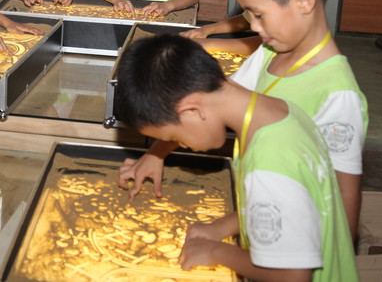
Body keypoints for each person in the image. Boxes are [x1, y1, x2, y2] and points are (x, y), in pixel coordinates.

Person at [119, 0, 368, 242]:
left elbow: (342, 203)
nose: (253, 26)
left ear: (304, 1)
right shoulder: (269, 53)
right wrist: (157, 152)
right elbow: (211, 100)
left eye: (259, 14)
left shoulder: (337, 94)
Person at [115, 34, 358, 281]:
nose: (183, 145)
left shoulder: (268, 161)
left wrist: (216, 252)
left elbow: (292, 275)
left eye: (173, 136)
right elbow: (290, 207)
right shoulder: (279, 111)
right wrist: (221, 227)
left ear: (192, 110)